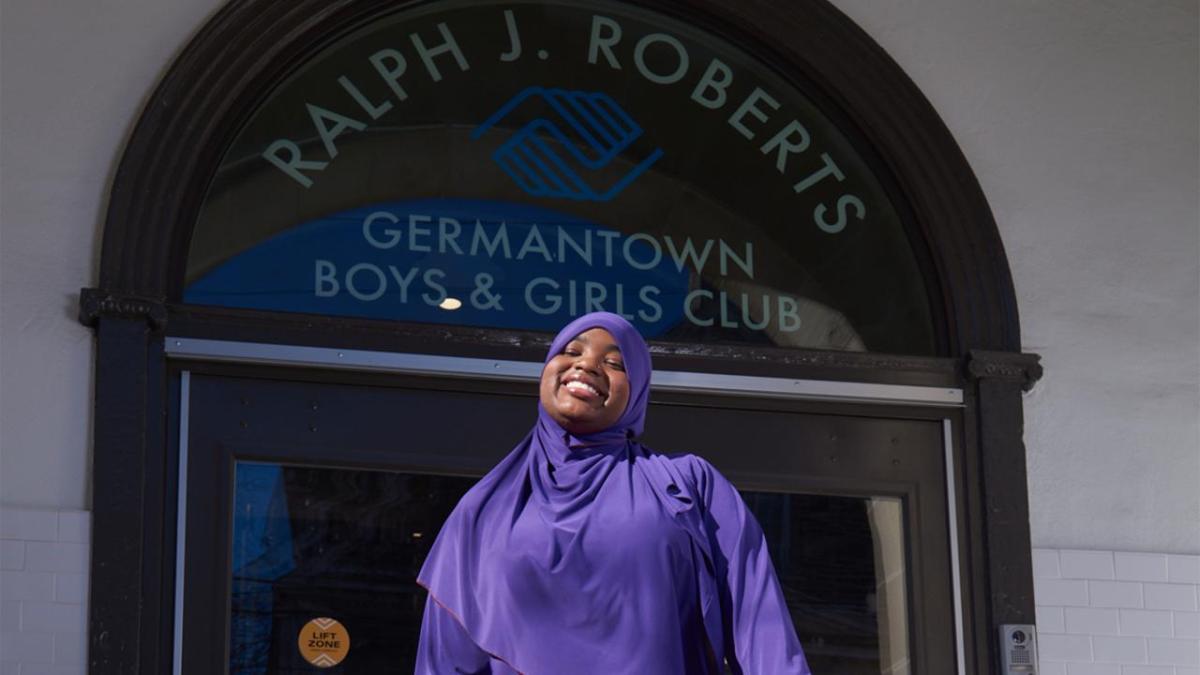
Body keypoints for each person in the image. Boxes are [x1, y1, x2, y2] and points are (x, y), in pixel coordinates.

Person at [416, 312, 811, 674]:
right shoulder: (485, 508)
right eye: (572, 351)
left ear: (636, 392)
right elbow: (445, 659)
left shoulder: (688, 484)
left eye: (615, 363)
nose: (587, 364)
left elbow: (760, 626)